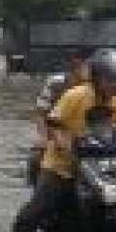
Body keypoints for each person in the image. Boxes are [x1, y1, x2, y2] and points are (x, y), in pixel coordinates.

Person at [13, 48, 116, 232]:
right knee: (38, 209)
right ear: (96, 78)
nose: (112, 85)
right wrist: (63, 142)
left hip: (100, 164)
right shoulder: (75, 95)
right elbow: (54, 122)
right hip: (62, 165)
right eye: (108, 80)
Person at [26, 51, 89, 186]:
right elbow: (41, 112)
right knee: (36, 156)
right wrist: (43, 138)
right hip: (55, 131)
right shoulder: (56, 82)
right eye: (84, 65)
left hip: (84, 134)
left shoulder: (96, 85)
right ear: (75, 66)